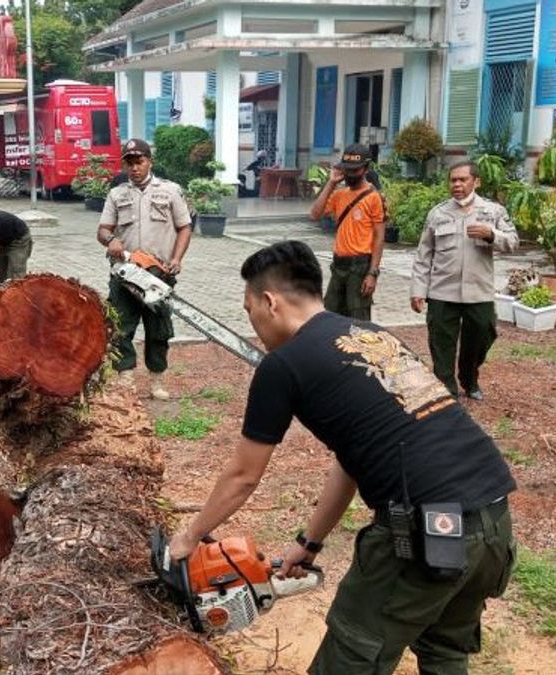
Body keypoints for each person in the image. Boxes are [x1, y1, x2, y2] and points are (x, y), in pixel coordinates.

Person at [168, 240, 517, 675]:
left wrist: (189, 536)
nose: (252, 321)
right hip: (493, 521)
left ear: (269, 301)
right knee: (444, 649)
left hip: (427, 532)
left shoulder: (283, 365)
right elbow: (352, 459)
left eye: (249, 309)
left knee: (352, 658)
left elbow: (242, 475)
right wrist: (308, 543)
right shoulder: (370, 335)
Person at [410, 160, 519, 400]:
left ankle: (469, 379)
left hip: (478, 292)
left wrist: (492, 234)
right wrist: (418, 290)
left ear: (476, 182)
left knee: (482, 336)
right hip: (441, 291)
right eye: (453, 180)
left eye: (463, 179)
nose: (457, 184)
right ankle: (447, 389)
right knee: (441, 344)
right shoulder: (438, 213)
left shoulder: (493, 212)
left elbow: (513, 242)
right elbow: (424, 254)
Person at [97, 138, 192, 400]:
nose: (134, 168)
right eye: (129, 163)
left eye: (139, 161)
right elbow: (103, 229)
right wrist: (110, 240)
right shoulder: (117, 194)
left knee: (158, 328)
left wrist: (177, 258)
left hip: (158, 273)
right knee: (120, 327)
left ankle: (157, 381)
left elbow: (184, 226)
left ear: (150, 161)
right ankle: (125, 378)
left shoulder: (170, 191)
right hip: (125, 272)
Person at [308, 144, 386, 321]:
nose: (350, 174)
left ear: (366, 168)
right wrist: (332, 182)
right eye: (347, 169)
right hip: (339, 265)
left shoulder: (374, 197)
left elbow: (379, 237)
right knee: (330, 318)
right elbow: (314, 214)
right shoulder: (339, 195)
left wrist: (372, 273)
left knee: (358, 320)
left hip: (360, 267)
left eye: (355, 170)